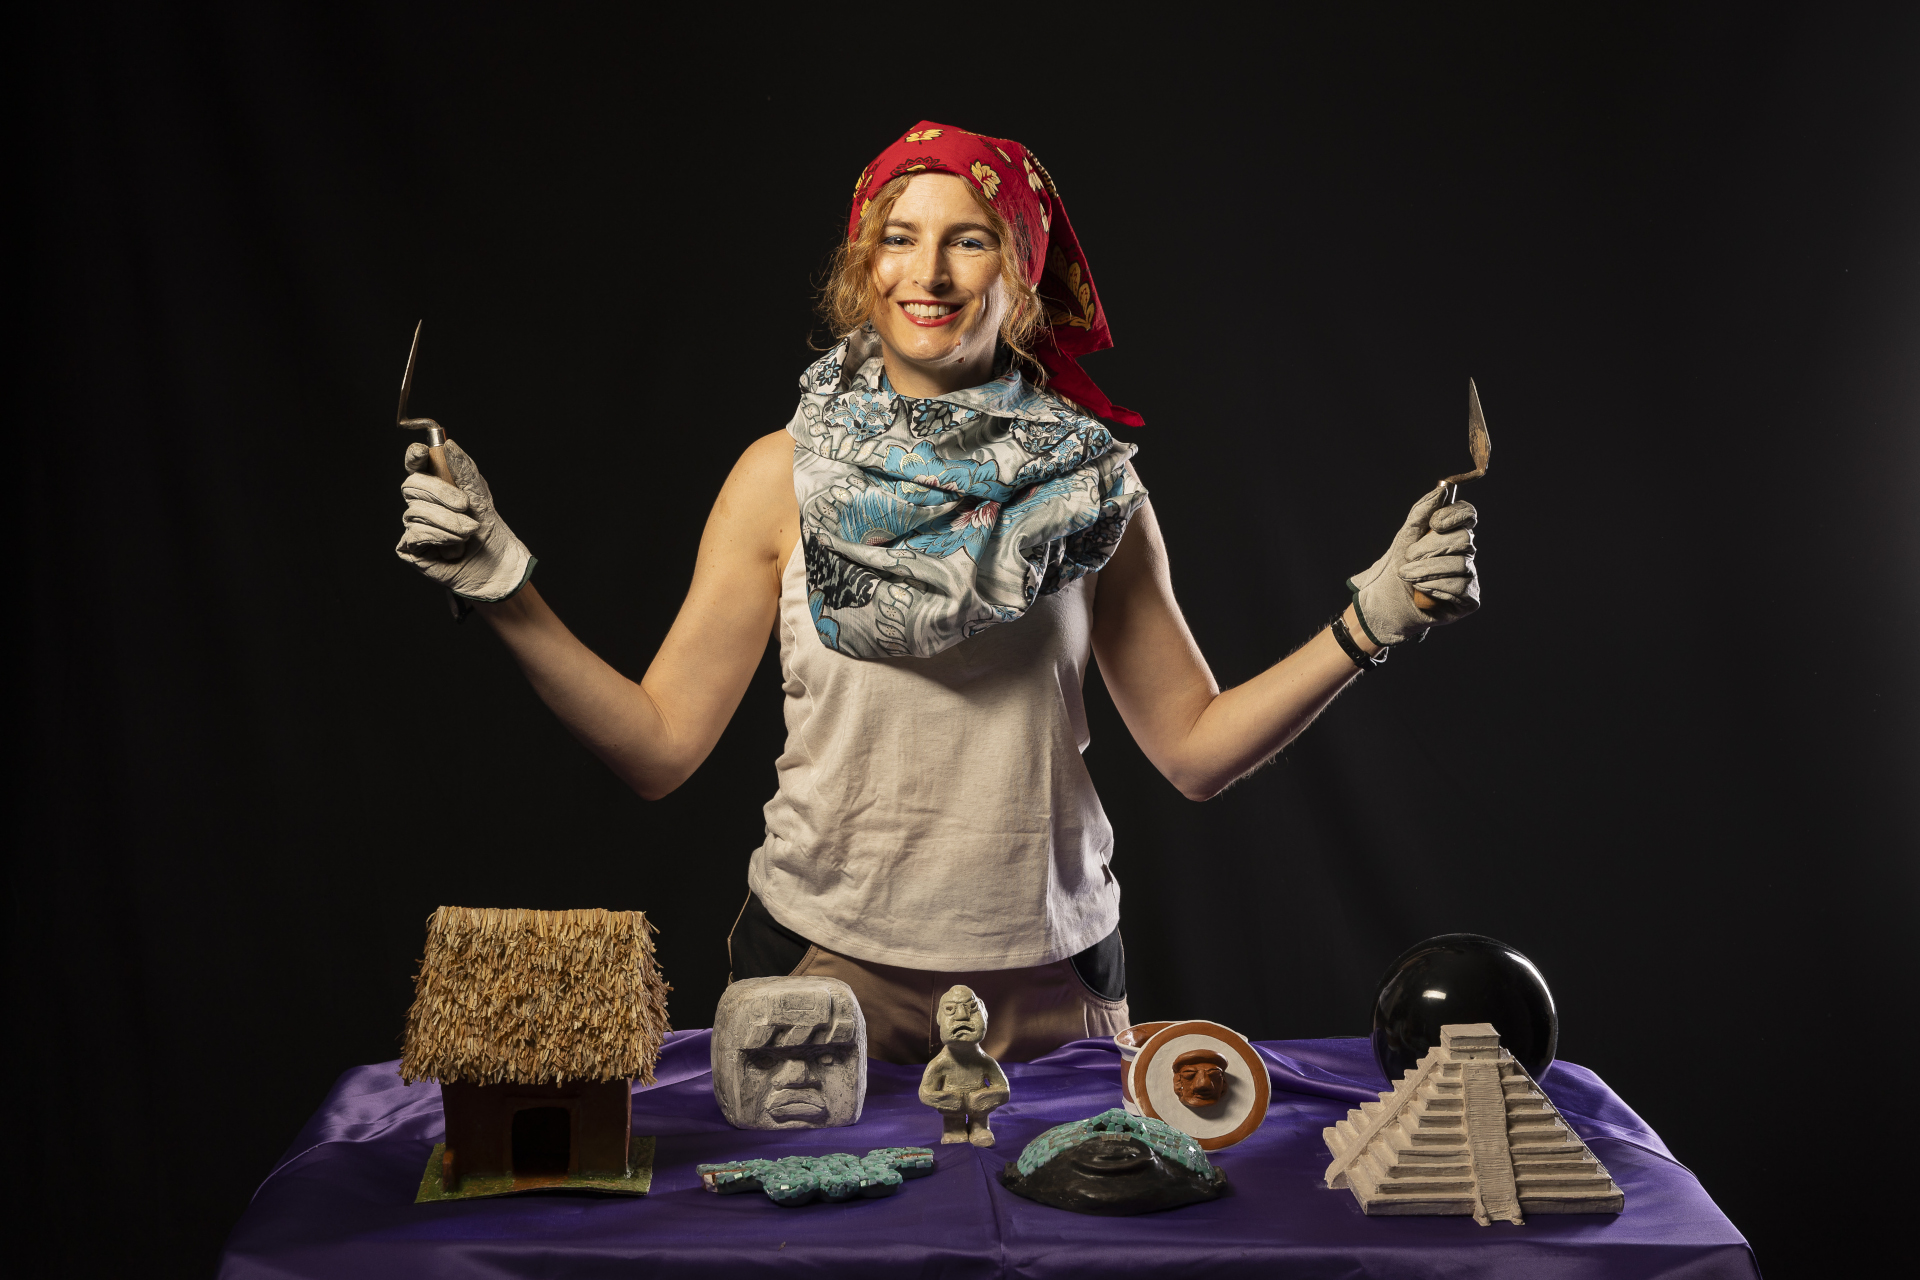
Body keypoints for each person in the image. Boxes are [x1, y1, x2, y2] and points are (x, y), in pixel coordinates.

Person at [393, 121, 1480, 1066]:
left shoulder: (1093, 483)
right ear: (863, 266)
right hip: (820, 976)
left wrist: (1370, 620)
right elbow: (659, 746)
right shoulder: (780, 477)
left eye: (971, 238)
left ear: (1023, 274)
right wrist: (504, 588)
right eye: (898, 237)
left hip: (1054, 986)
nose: (931, 272)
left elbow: (1195, 749)